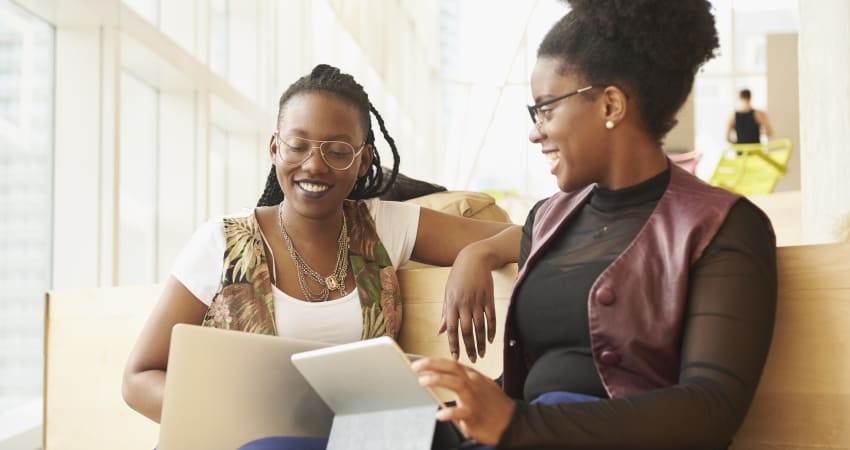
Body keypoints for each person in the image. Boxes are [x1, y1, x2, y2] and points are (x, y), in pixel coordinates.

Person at [415, 1, 778, 448]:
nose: (535, 131)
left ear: (610, 104)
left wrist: (518, 425)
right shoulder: (545, 221)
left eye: (546, 109)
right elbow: (536, 383)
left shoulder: (723, 226)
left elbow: (710, 407)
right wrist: (459, 409)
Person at [121, 64, 520, 431]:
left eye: (337, 150)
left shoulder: (382, 225)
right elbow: (139, 377)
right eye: (298, 146)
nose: (314, 165)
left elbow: (535, 232)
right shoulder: (222, 243)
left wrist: (478, 254)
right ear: (275, 148)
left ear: (363, 161)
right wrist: (227, 422)